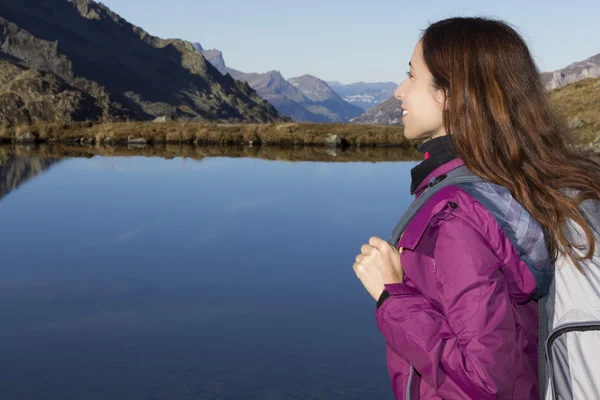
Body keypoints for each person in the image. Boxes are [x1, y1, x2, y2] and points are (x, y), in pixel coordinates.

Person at [352, 17, 600, 399]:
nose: (400, 91)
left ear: (449, 94)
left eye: (411, 75)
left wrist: (392, 296)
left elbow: (486, 383)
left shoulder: (458, 217)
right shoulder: (519, 186)